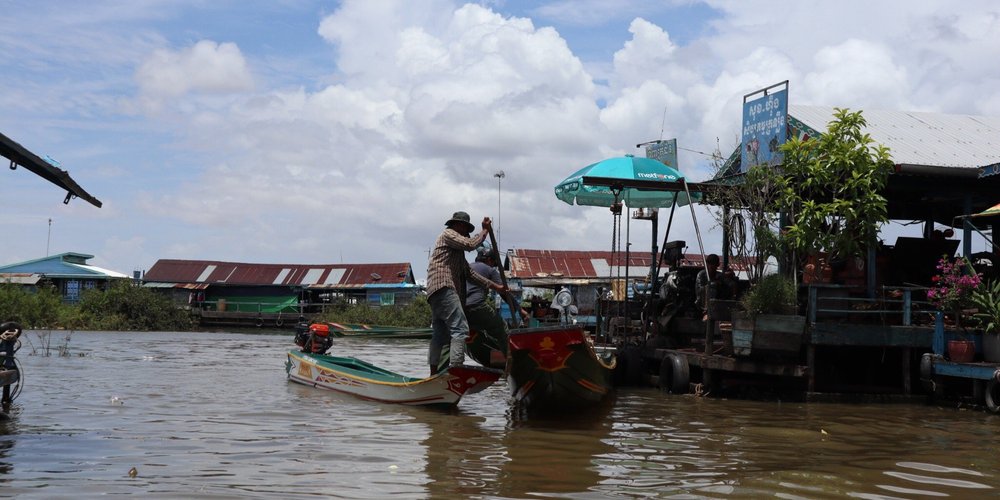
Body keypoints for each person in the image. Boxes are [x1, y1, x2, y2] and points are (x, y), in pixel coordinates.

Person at [426, 211, 506, 375]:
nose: (464, 233)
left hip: (436, 291)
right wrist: (484, 231)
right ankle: (457, 369)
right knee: (460, 328)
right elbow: (470, 244)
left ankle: (434, 373)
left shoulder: (456, 252)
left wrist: (495, 287)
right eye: (464, 229)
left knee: (441, 334)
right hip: (444, 286)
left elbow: (470, 274)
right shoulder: (448, 234)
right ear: (459, 226)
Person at [465, 244, 522, 367]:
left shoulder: (467, 267)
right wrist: (520, 310)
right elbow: (503, 293)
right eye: (494, 263)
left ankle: (456, 363)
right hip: (477, 305)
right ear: (490, 260)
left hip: (461, 308)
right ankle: (512, 363)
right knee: (501, 327)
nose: (493, 266)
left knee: (461, 333)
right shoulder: (490, 270)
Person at [695, 254, 735, 319]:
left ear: (717, 265)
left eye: (714, 265)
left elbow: (729, 284)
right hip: (702, 302)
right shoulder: (701, 275)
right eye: (710, 265)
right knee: (711, 288)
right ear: (707, 265)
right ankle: (706, 313)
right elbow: (700, 290)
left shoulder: (719, 275)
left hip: (718, 303)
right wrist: (714, 284)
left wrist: (730, 277)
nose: (711, 267)